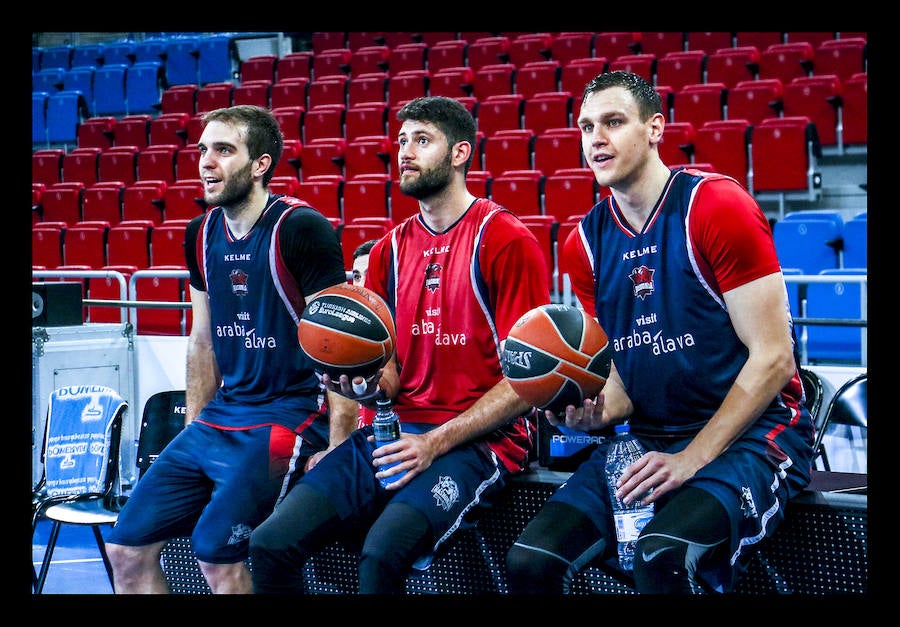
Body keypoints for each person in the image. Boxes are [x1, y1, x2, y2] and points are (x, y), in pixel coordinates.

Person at [505, 71, 815, 594]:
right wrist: (590, 412)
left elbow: (774, 360)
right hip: (651, 440)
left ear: (655, 128)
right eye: (585, 127)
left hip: (757, 436)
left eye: (613, 122)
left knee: (662, 559)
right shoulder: (583, 245)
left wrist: (692, 459)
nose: (595, 139)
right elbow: (623, 382)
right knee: (530, 562)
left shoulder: (716, 206)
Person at [249, 95, 551, 594]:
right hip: (393, 437)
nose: (405, 152)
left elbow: (529, 380)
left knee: (382, 553)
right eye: (402, 141)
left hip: (479, 443)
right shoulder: (388, 249)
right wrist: (359, 381)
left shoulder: (504, 239)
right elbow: (387, 378)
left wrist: (434, 442)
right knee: (270, 543)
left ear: (459, 154)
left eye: (422, 140)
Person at [105, 105, 352, 594]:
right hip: (220, 418)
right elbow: (202, 340)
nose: (205, 163)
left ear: (260, 164)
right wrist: (194, 428)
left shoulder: (302, 229)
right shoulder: (200, 234)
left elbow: (338, 345)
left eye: (223, 150)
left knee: (217, 553)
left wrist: (339, 445)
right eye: (202, 150)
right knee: (124, 548)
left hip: (289, 415)